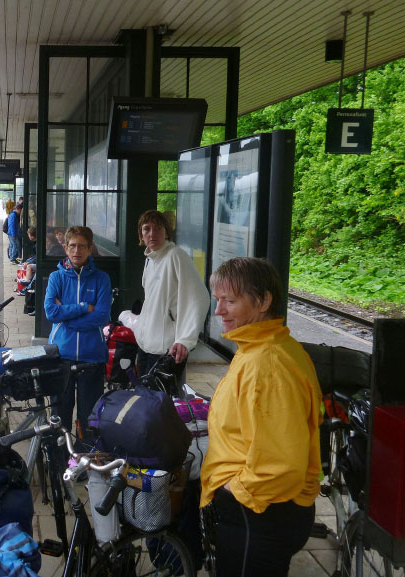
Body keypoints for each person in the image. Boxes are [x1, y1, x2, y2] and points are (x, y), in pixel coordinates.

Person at [200, 257, 323, 577]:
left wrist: (235, 490)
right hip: (263, 510)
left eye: (230, 301)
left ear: (264, 301)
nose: (219, 311)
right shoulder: (264, 346)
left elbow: (281, 464)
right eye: (217, 300)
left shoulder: (268, 363)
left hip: (259, 513)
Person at [44, 226, 111, 437]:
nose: (77, 251)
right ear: (65, 248)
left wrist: (68, 320)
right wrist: (83, 308)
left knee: (89, 418)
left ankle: (86, 461)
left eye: (82, 246)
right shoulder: (56, 277)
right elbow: (51, 312)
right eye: (72, 245)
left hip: (92, 358)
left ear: (90, 249)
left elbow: (102, 315)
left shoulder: (102, 279)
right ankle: (59, 463)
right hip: (61, 355)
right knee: (59, 416)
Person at [133, 210, 209, 382]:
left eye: (158, 228)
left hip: (167, 348)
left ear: (167, 232)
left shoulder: (176, 255)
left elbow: (200, 297)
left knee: (161, 404)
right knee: (144, 401)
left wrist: (185, 339)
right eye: (147, 229)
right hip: (146, 344)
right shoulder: (150, 260)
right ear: (141, 235)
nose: (152, 233)